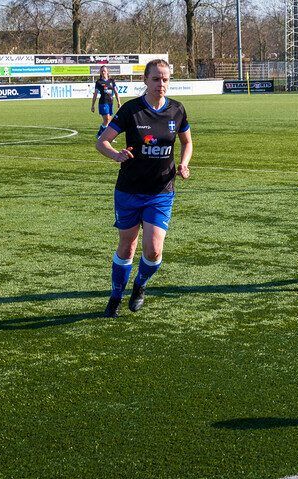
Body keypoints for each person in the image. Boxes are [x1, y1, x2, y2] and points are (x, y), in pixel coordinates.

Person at [95, 59, 192, 316]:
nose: (161, 84)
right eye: (156, 79)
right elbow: (102, 142)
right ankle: (115, 296)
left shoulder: (177, 110)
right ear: (145, 81)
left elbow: (187, 142)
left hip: (161, 191)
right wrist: (116, 155)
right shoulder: (131, 110)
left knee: (154, 249)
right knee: (127, 247)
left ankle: (140, 285)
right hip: (129, 190)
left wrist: (184, 163)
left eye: (165, 79)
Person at [91, 65, 121, 138]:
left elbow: (116, 92)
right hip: (103, 103)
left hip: (110, 102)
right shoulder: (98, 82)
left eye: (104, 71)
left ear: (107, 72)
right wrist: (92, 105)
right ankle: (100, 134)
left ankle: (103, 135)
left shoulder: (112, 81)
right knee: (107, 119)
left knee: (109, 121)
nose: (103, 72)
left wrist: (119, 102)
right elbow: (95, 94)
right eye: (101, 71)